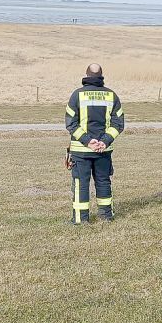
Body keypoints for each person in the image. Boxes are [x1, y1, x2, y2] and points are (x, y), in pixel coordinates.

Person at [65, 63, 124, 224]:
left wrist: (87, 141)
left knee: (81, 184)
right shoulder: (111, 96)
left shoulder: (77, 95)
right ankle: (106, 216)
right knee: (103, 181)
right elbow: (118, 123)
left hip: (81, 150)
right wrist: (104, 142)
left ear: (86, 75)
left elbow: (71, 123)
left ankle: (80, 219)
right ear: (101, 76)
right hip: (103, 151)